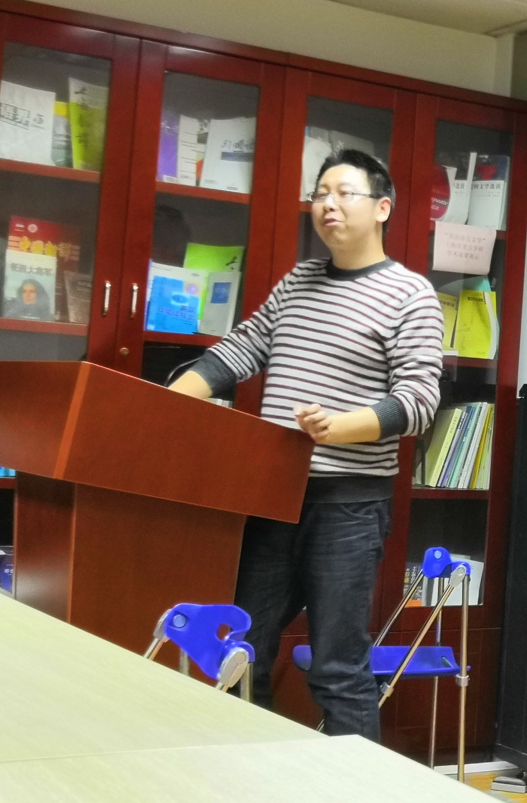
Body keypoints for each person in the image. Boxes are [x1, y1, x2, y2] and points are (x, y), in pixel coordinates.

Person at [168, 149, 443, 740]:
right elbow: (243, 348)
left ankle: (356, 783)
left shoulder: (410, 294)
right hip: (273, 497)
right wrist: (169, 401)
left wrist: (337, 428)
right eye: (320, 194)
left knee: (338, 669)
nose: (328, 204)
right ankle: (251, 774)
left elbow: (420, 400)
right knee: (241, 654)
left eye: (345, 193)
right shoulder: (299, 281)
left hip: (349, 506)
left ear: (383, 208)